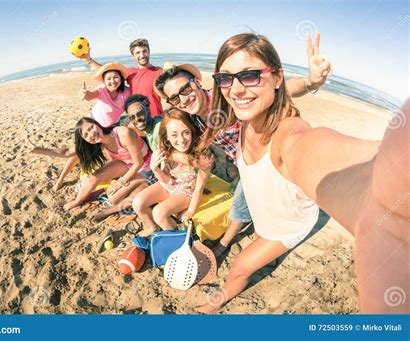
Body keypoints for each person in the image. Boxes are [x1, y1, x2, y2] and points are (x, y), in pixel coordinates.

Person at [195, 32, 409, 314]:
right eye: (225, 78)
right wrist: (310, 82)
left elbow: (315, 153)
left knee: (239, 268)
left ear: (277, 77)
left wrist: (384, 182)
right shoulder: (247, 113)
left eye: (249, 76)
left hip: (285, 227)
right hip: (266, 214)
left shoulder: (288, 134)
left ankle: (211, 306)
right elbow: (283, 90)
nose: (235, 90)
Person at [154, 34, 331, 256]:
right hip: (236, 162)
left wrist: (310, 82)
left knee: (241, 202)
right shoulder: (192, 118)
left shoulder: (223, 96)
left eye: (186, 90)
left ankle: (225, 243)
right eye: (175, 98)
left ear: (197, 82)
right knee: (252, 201)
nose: (184, 99)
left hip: (259, 159)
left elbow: (277, 90)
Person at [29, 117, 151, 212]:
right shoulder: (99, 142)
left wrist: (120, 183)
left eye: (91, 128)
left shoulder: (123, 133)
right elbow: (67, 152)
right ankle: (77, 201)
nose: (91, 134)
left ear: (97, 123)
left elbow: (138, 163)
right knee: (93, 177)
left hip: (145, 166)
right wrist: (40, 150)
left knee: (114, 199)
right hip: (125, 164)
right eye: (86, 135)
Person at [50, 62, 131, 192]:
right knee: (78, 152)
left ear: (121, 78)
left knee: (111, 155)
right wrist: (85, 94)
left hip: (110, 129)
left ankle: (107, 176)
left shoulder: (126, 92)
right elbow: (91, 95)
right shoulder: (102, 90)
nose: (112, 81)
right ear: (104, 81)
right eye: (108, 79)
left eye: (116, 77)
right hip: (94, 127)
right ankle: (60, 180)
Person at [132, 108, 213, 237]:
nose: (181, 140)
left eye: (185, 132)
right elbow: (165, 180)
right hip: (170, 185)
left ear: (192, 130)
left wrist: (190, 211)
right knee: (138, 203)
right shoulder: (165, 149)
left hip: (187, 192)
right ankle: (153, 228)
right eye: (174, 135)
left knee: (159, 212)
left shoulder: (202, 155)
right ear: (167, 136)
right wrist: (155, 168)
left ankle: (176, 237)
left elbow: (199, 188)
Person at [82, 39, 163, 117]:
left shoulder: (160, 72)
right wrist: (89, 60)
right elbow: (107, 70)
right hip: (137, 118)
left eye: (144, 51)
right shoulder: (131, 72)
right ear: (133, 56)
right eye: (138, 52)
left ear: (149, 52)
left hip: (156, 118)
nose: (142, 55)